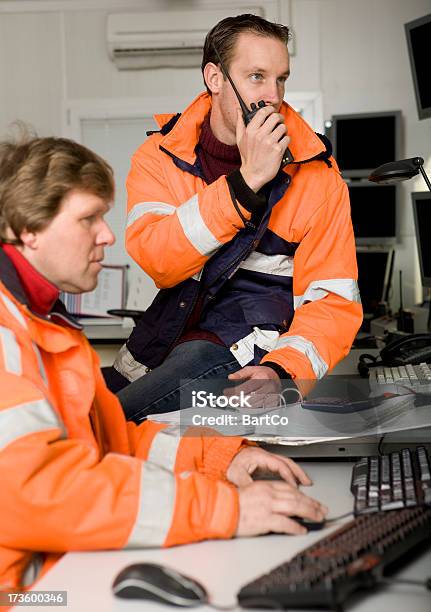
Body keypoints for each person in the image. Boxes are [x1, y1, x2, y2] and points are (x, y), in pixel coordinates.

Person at [0, 135, 328, 592]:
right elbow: (42, 494)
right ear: (27, 229)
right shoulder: (5, 335)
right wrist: (225, 510)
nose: (108, 235)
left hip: (56, 568)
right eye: (88, 219)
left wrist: (220, 459)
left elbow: (110, 443)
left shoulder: (44, 323)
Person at [108, 13, 362, 421]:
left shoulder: (318, 177)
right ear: (215, 78)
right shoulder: (159, 158)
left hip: (247, 355)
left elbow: (332, 303)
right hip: (164, 341)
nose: (273, 95)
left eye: (281, 78)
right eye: (257, 77)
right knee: (86, 420)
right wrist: (245, 185)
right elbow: (159, 262)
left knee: (104, 433)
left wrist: (283, 371)